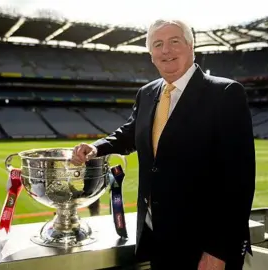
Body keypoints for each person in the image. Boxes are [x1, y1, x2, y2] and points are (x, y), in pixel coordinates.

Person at [71, 19, 256, 270]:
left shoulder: (225, 93)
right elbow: (131, 133)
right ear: (151, 55)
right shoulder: (147, 92)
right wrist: (98, 148)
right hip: (157, 236)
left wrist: (218, 250)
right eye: (158, 44)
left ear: (191, 46)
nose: (166, 50)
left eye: (174, 42)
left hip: (205, 246)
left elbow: (239, 181)